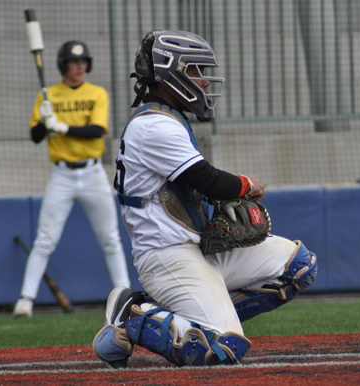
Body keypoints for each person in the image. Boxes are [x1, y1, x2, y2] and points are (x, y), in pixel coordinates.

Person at [92, 30, 318, 367]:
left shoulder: (168, 119)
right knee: (221, 349)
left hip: (198, 249)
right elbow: (208, 180)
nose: (205, 82)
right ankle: (132, 316)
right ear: (171, 73)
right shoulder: (153, 125)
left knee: (298, 267)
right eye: (196, 71)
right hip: (167, 257)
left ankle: (183, 316)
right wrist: (247, 184)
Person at [13, 40, 131, 317]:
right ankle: (25, 300)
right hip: (62, 175)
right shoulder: (48, 95)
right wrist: (44, 122)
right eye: (73, 62)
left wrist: (62, 126)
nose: (79, 67)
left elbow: (96, 130)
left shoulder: (97, 93)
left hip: (93, 174)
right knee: (45, 239)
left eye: (82, 62)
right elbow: (35, 137)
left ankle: (125, 296)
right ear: (63, 65)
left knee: (110, 239)